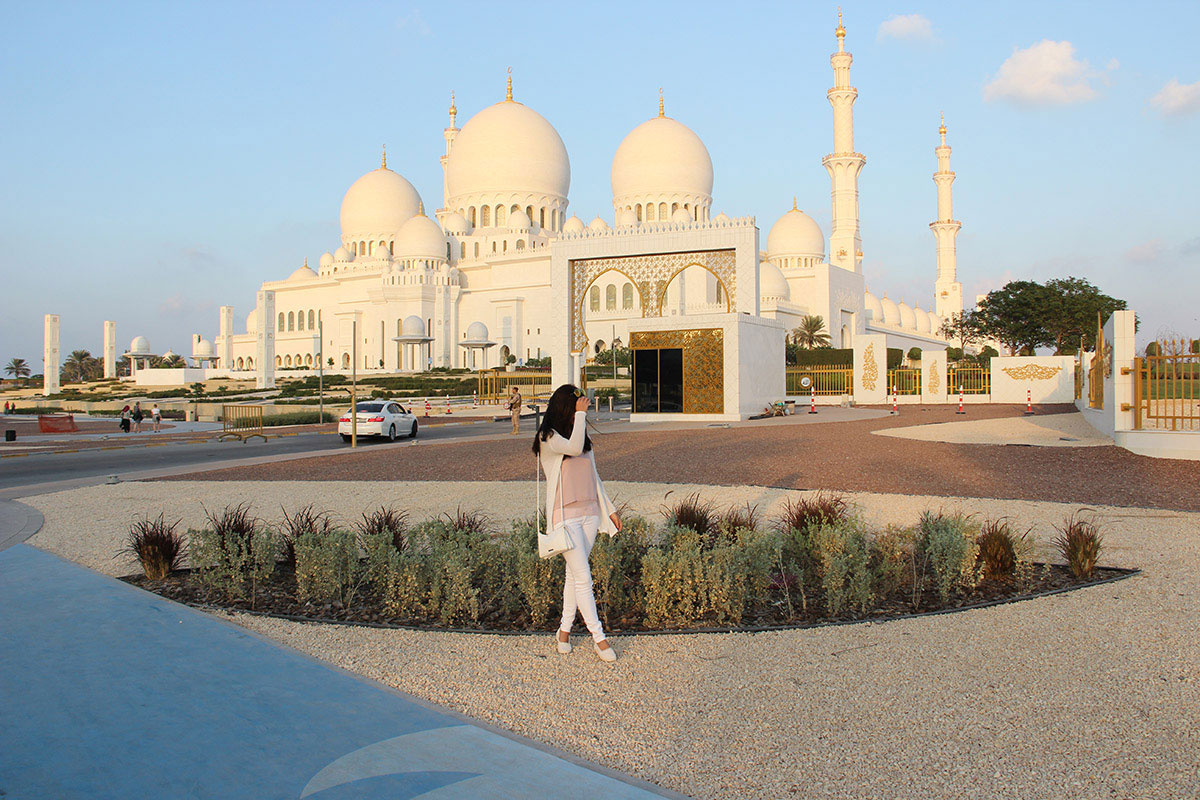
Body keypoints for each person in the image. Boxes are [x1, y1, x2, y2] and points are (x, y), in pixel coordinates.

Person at [532, 384, 622, 662]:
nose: (578, 413)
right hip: (565, 518)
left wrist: (610, 509)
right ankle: (599, 638)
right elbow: (569, 447)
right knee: (584, 577)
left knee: (574, 576)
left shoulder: (582, 439)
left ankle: (563, 631)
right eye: (574, 409)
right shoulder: (549, 438)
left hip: (589, 513)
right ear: (564, 409)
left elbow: (594, 477)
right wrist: (582, 415)